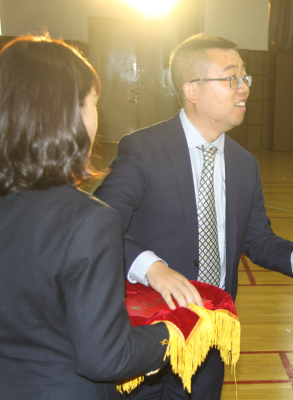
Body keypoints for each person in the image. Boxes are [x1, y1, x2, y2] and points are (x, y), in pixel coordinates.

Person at [94, 33, 293, 400]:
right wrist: (151, 267)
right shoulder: (144, 150)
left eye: (245, 77)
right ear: (192, 90)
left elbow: (256, 238)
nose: (244, 88)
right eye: (231, 78)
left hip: (211, 334)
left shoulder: (244, 164)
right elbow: (99, 224)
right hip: (149, 333)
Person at [0, 36, 169, 400]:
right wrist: (173, 334)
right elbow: (106, 357)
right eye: (93, 103)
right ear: (69, 117)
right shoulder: (89, 221)